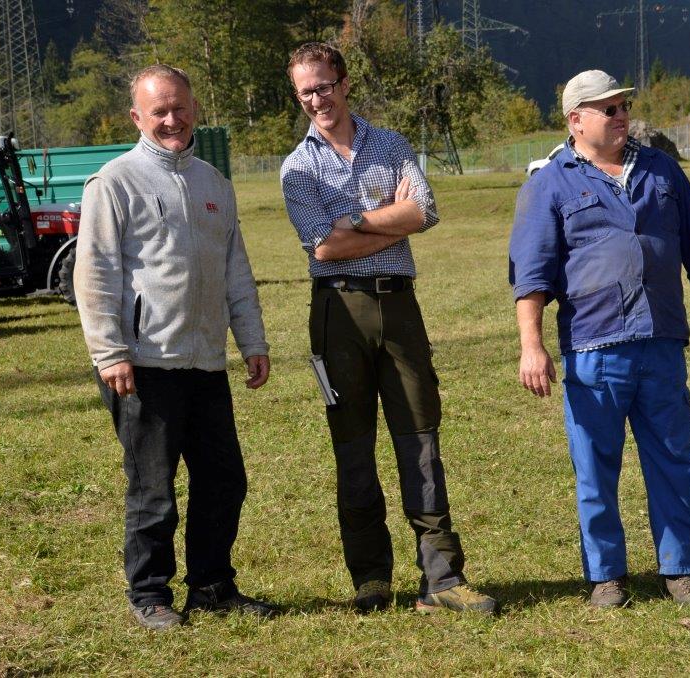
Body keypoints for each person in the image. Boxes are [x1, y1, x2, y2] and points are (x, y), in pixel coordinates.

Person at [509, 69, 690, 609]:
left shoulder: (662, 170)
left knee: (672, 458)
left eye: (622, 106)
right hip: (593, 348)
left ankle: (681, 571)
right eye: (609, 109)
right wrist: (532, 344)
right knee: (595, 468)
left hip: (661, 342)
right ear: (576, 120)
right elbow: (531, 274)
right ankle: (606, 576)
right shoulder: (549, 183)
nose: (621, 116)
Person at [280, 42, 496, 615]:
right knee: (353, 446)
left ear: (344, 83)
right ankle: (371, 578)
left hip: (399, 308)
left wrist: (354, 222)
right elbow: (323, 247)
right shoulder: (297, 167)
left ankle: (442, 579)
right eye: (305, 92)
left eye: (324, 86)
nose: (317, 100)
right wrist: (391, 224)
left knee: (420, 438)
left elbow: (425, 211)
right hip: (337, 315)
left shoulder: (391, 145)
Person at [73, 64, 277, 630]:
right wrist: (110, 352)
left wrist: (251, 340)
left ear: (195, 110)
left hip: (205, 362)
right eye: (158, 110)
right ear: (136, 117)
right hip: (143, 364)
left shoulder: (215, 184)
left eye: (179, 108)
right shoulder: (113, 182)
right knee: (153, 489)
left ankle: (212, 586)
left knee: (224, 480)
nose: (171, 119)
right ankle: (149, 594)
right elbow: (95, 273)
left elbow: (236, 270)